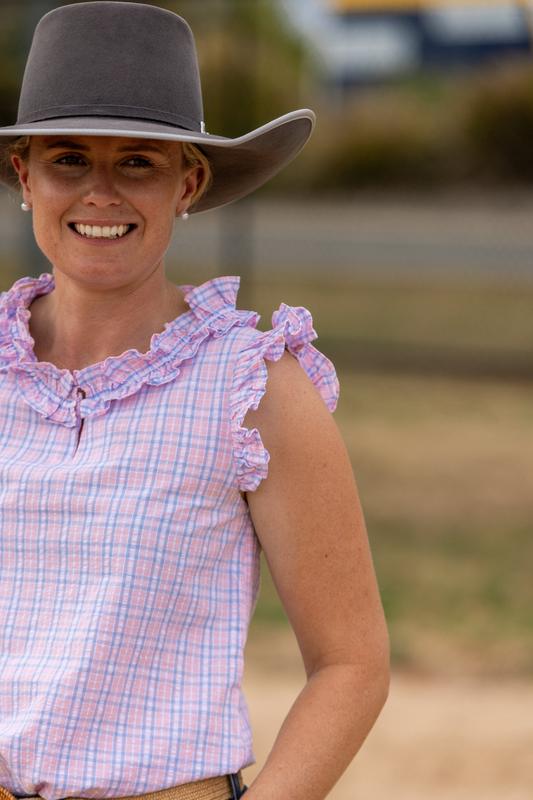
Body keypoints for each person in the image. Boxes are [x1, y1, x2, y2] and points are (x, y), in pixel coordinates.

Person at [0, 4, 389, 800]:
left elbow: (351, 665)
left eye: (138, 162)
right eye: (69, 159)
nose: (100, 192)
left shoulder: (250, 386)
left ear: (190, 182)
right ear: (24, 175)